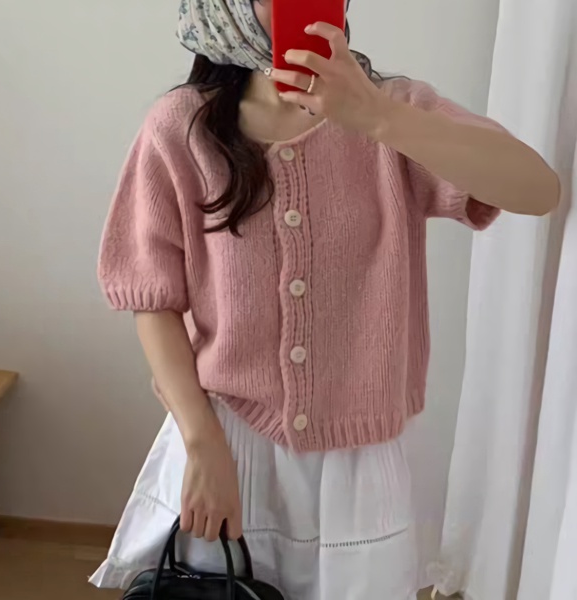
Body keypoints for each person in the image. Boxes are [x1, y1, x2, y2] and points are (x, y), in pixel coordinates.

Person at [90, 1, 559, 598]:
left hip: (359, 463)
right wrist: (202, 444)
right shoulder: (182, 127)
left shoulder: (393, 109)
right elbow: (152, 298)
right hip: (226, 442)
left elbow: (538, 190)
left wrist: (380, 118)